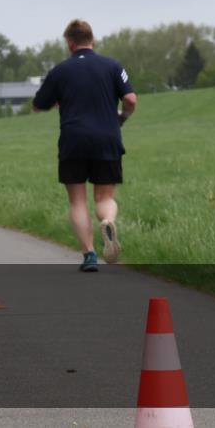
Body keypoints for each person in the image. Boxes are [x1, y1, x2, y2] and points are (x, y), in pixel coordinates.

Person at [33, 19, 137, 272]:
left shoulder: (59, 71)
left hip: (73, 140)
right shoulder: (113, 66)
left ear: (69, 43)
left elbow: (39, 103)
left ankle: (89, 255)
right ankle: (108, 221)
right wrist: (121, 117)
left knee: (77, 201)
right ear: (93, 40)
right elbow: (131, 99)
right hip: (107, 137)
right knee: (105, 197)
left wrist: (60, 100)